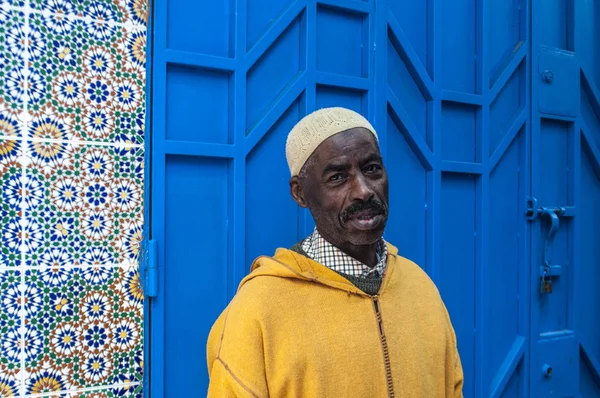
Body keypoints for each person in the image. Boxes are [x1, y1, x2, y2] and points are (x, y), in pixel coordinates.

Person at [206, 107, 464, 397]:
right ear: (299, 193)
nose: (363, 191)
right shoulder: (257, 310)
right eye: (338, 177)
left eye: (371, 169)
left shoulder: (421, 289)